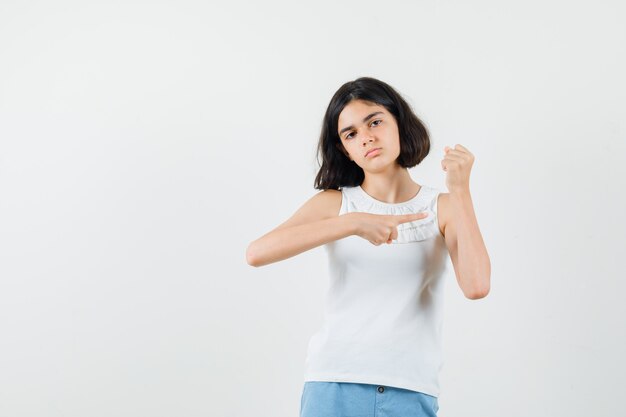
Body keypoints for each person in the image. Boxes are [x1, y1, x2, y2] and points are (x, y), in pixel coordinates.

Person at [246, 77, 491, 417]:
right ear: (344, 148)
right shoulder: (334, 204)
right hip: (333, 383)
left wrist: (461, 189)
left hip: (410, 388)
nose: (367, 138)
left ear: (399, 123)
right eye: (351, 134)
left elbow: (477, 286)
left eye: (375, 122)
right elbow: (257, 253)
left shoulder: (444, 206)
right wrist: (353, 222)